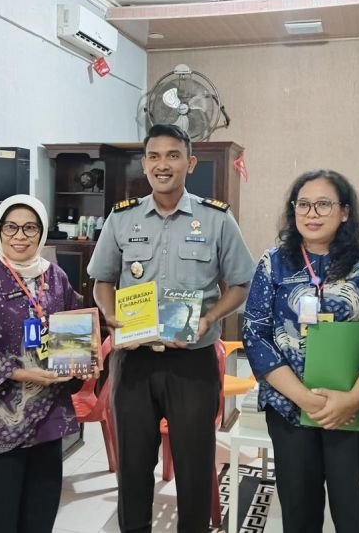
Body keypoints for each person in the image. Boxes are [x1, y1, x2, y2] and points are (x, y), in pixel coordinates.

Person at [87, 124, 256, 533]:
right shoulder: (122, 218)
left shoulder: (216, 219)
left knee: (195, 465)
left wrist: (211, 318)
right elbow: (102, 281)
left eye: (173, 155)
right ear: (145, 164)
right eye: (155, 156)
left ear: (190, 163)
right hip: (134, 363)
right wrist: (111, 316)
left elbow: (240, 284)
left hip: (192, 363)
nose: (164, 165)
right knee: (133, 465)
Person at [242, 169, 359, 533]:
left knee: (356, 514)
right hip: (290, 410)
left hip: (353, 410)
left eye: (323, 204)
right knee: (299, 513)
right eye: (303, 204)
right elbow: (256, 335)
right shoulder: (273, 263)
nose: (312, 214)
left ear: (344, 212)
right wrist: (305, 400)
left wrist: (354, 398)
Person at [0, 194, 87, 533]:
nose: (20, 235)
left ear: (41, 233)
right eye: (10, 226)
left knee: (39, 519)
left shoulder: (55, 278)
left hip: (47, 419)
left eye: (30, 227)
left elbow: (72, 328)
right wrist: (18, 371)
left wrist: (82, 360)